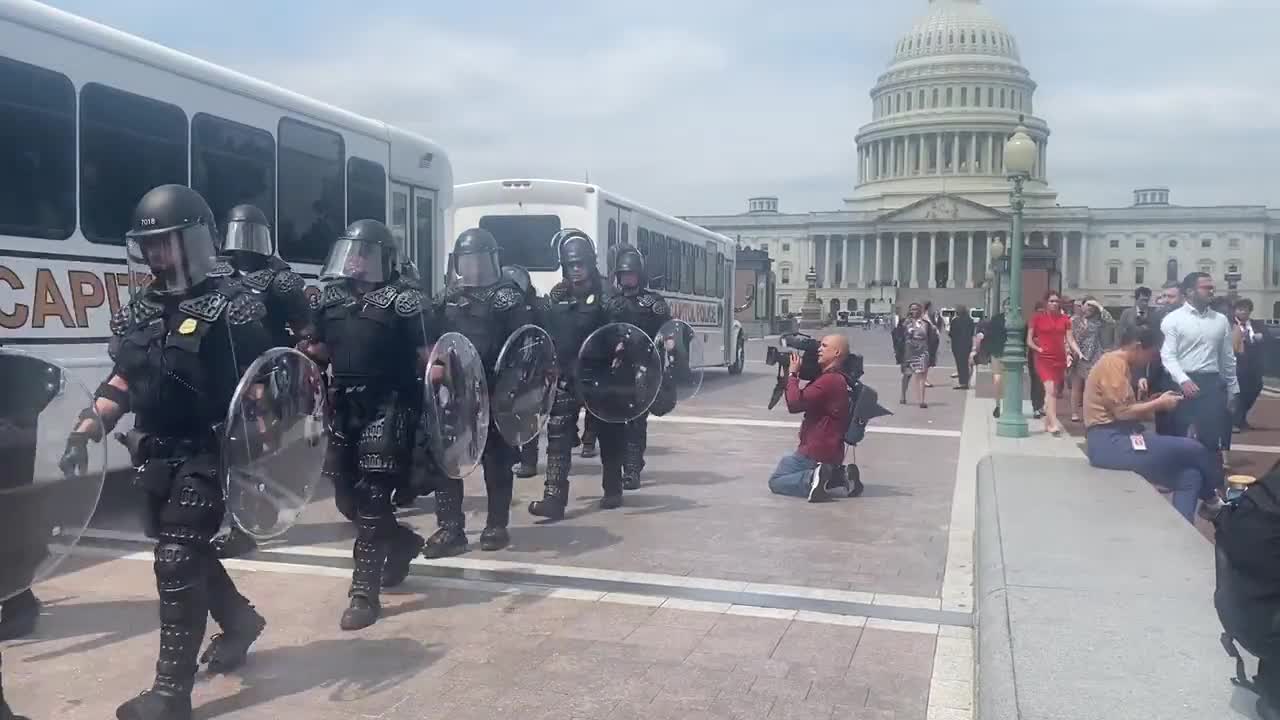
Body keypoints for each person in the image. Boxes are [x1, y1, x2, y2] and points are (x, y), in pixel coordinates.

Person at [58, 185, 271, 720]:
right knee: (186, 552)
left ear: (195, 241)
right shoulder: (140, 308)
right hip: (156, 451)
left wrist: (259, 451)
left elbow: (266, 385)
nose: (155, 255)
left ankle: (171, 695)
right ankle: (241, 622)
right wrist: (88, 427)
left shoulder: (236, 305)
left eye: (166, 242)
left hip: (210, 449)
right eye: (148, 245)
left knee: (176, 558)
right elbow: (124, 377)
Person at [301, 219, 429, 631]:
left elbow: (431, 357)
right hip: (344, 406)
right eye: (352, 253)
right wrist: (301, 362)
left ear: (383, 259)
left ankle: (363, 592)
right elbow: (317, 352)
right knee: (346, 501)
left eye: (366, 254)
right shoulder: (330, 301)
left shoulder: (405, 302)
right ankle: (404, 542)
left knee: (373, 501)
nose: (357, 261)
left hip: (389, 404)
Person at [207, 204, 315, 559]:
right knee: (223, 452)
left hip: (263, 378)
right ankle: (246, 514)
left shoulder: (281, 280)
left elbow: (306, 332)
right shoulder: (215, 271)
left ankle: (245, 525)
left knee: (253, 453)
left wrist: (295, 372)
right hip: (222, 375)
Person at [424, 229, 533, 556]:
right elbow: (433, 341)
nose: (473, 267)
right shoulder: (446, 298)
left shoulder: (508, 297)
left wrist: (515, 386)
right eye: (466, 261)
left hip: (497, 391)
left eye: (478, 260)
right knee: (447, 459)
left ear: (491, 260)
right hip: (456, 392)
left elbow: (527, 343)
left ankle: (496, 524)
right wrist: (436, 364)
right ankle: (451, 528)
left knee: (496, 461)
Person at [1083, 325, 1225, 523]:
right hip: (1110, 442)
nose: (1151, 360)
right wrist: (1158, 404)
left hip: (1120, 438)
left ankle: (1182, 529)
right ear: (1138, 347)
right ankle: (1213, 500)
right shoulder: (1113, 363)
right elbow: (1122, 413)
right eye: (1151, 354)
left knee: (1189, 476)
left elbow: (1123, 409)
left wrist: (1154, 402)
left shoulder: (1119, 365)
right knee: (1193, 448)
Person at [528, 230, 620, 521]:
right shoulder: (558, 296)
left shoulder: (608, 299)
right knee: (557, 436)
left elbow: (622, 334)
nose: (576, 270)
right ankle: (554, 497)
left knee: (609, 435)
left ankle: (613, 487)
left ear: (591, 264)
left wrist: (619, 351)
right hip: (566, 376)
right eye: (571, 265)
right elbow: (546, 335)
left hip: (600, 376)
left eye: (580, 264)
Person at [604, 246, 671, 490]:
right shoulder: (611, 301)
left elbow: (667, 333)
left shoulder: (654, 303)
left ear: (639, 275)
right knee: (615, 423)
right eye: (623, 275)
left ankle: (632, 470)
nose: (627, 279)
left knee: (636, 422)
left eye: (631, 274)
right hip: (617, 369)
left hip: (643, 368)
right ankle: (619, 465)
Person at [1160, 272, 1237, 459]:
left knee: (1211, 438)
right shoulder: (1173, 319)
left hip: (1211, 382)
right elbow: (1168, 355)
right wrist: (1183, 380)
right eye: (1206, 287)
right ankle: (1175, 478)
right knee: (1177, 435)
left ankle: (1209, 482)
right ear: (1190, 291)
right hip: (1181, 381)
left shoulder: (1220, 320)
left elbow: (1227, 358)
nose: (1212, 290)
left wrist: (1233, 388)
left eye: (1212, 287)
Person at [767, 335, 854, 502]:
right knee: (786, 462)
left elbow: (794, 403)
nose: (819, 350)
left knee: (776, 481)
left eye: (824, 346)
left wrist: (792, 374)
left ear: (836, 352)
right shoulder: (837, 378)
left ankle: (813, 478)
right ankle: (839, 476)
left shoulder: (829, 380)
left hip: (815, 452)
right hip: (830, 451)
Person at [503, 264, 546, 478]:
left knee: (528, 415)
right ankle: (511, 456)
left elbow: (543, 336)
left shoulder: (536, 306)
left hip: (532, 367)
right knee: (504, 414)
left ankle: (529, 461)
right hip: (506, 367)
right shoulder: (501, 306)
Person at [1027, 291, 1079, 435]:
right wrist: (1038, 348)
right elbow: (1029, 340)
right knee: (1050, 391)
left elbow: (1070, 339)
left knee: (1053, 392)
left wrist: (1077, 351)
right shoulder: (1037, 319)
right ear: (1046, 303)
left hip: (1059, 358)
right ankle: (1054, 423)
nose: (1054, 304)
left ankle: (1047, 422)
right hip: (1043, 358)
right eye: (1051, 301)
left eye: (1056, 301)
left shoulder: (1065, 320)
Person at [1069, 299, 1109, 423]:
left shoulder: (1097, 321)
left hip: (1094, 355)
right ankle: (1074, 413)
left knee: (1090, 387)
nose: (1089, 309)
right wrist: (1075, 353)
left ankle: (1089, 412)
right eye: (1087, 306)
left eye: (1092, 307)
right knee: (1076, 386)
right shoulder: (1074, 320)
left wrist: (1098, 304)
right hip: (1079, 355)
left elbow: (1111, 321)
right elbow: (1071, 338)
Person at [893, 302, 935, 408]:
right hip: (908, 351)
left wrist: (932, 353)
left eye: (916, 309)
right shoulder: (904, 322)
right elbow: (897, 336)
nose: (914, 311)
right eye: (912, 309)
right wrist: (898, 351)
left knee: (921, 375)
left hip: (922, 350)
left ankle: (922, 400)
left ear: (920, 311)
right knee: (907, 375)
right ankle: (903, 395)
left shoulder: (925, 323)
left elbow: (932, 338)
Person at [972, 298, 1010, 418]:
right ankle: (998, 404)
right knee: (997, 379)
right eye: (1007, 305)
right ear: (1003, 307)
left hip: (1011, 354)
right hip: (997, 353)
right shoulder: (997, 319)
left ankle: (1007, 403)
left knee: (1009, 381)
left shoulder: (1018, 319)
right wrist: (982, 337)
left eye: (1010, 305)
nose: (1008, 307)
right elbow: (989, 332)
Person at [1233, 298, 1266, 431]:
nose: (1242, 312)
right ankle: (1236, 420)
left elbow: (1268, 338)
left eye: (1244, 309)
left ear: (1249, 311)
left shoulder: (1257, 324)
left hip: (1253, 364)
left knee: (1255, 388)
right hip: (1237, 363)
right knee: (1238, 393)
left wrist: (1261, 337)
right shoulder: (1231, 324)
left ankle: (1241, 417)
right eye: (1239, 309)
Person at [949, 304, 975, 390]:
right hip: (967, 344)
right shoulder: (970, 320)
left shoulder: (955, 321)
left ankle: (962, 383)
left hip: (957, 345)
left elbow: (951, 334)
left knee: (960, 364)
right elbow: (972, 333)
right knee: (965, 364)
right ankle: (966, 381)